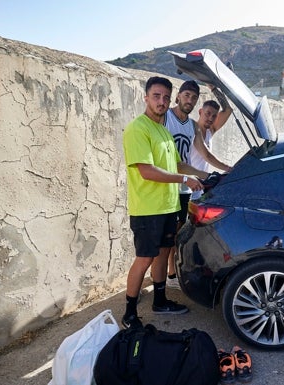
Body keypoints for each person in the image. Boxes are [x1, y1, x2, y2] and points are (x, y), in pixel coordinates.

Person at [121, 76, 206, 329]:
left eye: (166, 97)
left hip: (169, 206)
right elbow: (146, 171)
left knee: (162, 256)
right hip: (148, 209)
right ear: (145, 98)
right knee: (145, 258)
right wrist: (184, 179)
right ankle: (129, 313)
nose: (161, 101)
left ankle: (160, 301)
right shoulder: (138, 129)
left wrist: (204, 175)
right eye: (156, 96)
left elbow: (176, 164)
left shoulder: (163, 131)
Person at [164, 80, 232, 288]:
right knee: (172, 234)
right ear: (200, 111)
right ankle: (170, 275)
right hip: (181, 183)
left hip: (194, 187)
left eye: (213, 115)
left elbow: (228, 109)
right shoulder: (185, 125)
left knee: (183, 234)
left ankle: (175, 273)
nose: (210, 118)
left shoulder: (206, 131)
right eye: (207, 113)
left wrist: (215, 88)